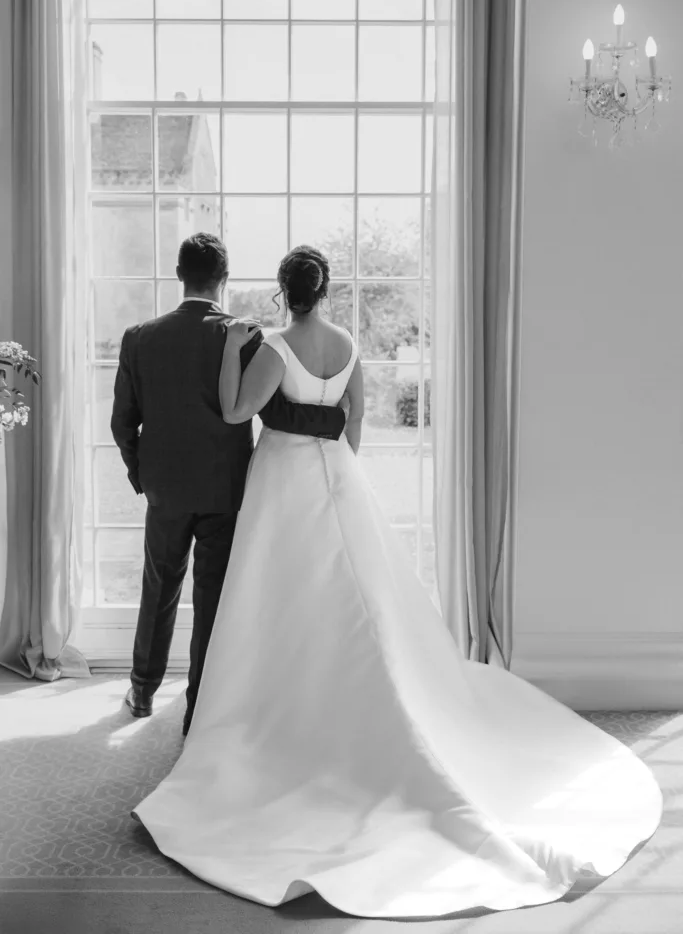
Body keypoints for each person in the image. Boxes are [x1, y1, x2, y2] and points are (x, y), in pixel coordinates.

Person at [132, 245, 662, 919]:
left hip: (283, 480)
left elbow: (238, 413)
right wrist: (330, 463)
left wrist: (237, 347)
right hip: (336, 479)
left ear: (281, 293)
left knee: (278, 600)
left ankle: (276, 709)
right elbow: (354, 426)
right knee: (358, 599)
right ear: (323, 292)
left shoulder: (270, 347)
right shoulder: (347, 344)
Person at [111, 233, 347, 738]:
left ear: (179, 274)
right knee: (212, 596)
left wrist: (143, 475)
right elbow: (276, 411)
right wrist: (337, 423)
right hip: (226, 490)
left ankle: (143, 690)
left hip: (165, 491)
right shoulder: (245, 335)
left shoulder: (139, 336)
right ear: (225, 279)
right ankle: (199, 706)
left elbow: (121, 423)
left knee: (160, 588)